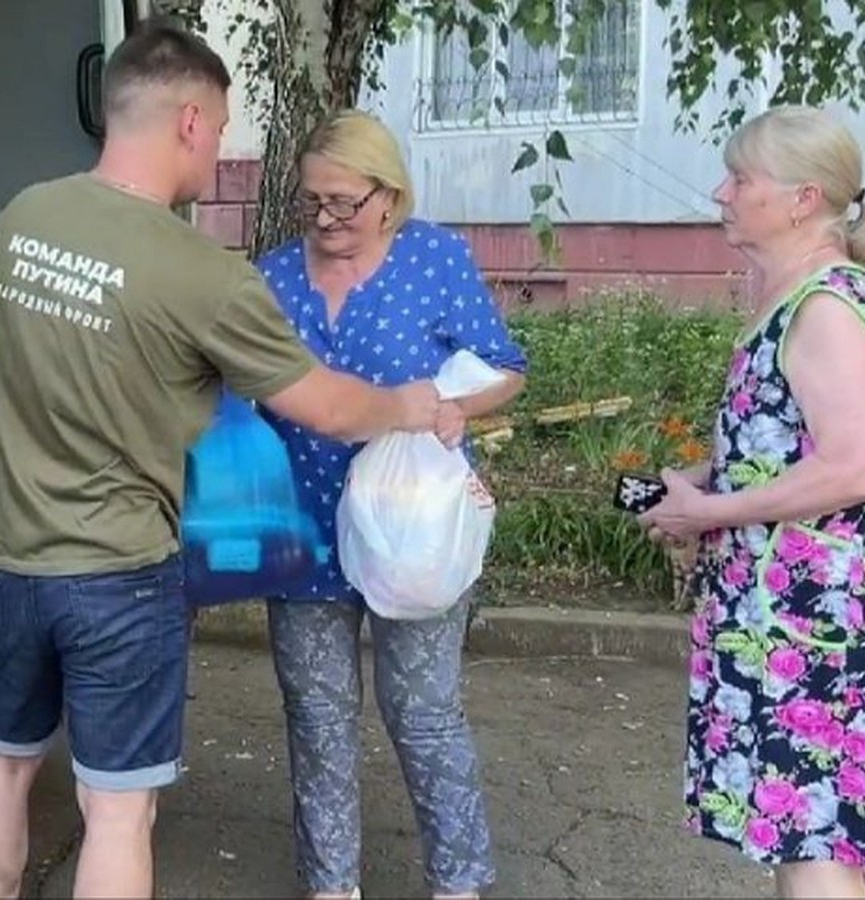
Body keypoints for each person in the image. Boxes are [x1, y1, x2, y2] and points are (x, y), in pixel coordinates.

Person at [0, 24, 440, 900]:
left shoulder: (18, 220)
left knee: (0, 765)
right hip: (117, 573)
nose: (219, 150)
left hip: (1, 560)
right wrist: (409, 405)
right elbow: (326, 406)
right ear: (187, 119)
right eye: (219, 128)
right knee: (116, 812)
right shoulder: (200, 273)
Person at [639, 105, 865, 898]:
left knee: (817, 840)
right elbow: (788, 449)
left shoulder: (825, 308)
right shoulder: (804, 300)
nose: (721, 191)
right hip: (801, 609)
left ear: (802, 199)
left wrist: (709, 513)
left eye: (741, 177)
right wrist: (704, 482)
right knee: (813, 835)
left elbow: (858, 466)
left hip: (813, 617)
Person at [256, 109, 528, 900]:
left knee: (423, 712)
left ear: (388, 194)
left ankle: (459, 882)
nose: (327, 219)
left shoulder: (434, 258)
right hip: (302, 526)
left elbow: (502, 366)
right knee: (317, 721)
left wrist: (460, 408)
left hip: (411, 527)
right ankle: (331, 886)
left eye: (345, 201)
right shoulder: (271, 277)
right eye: (311, 201)